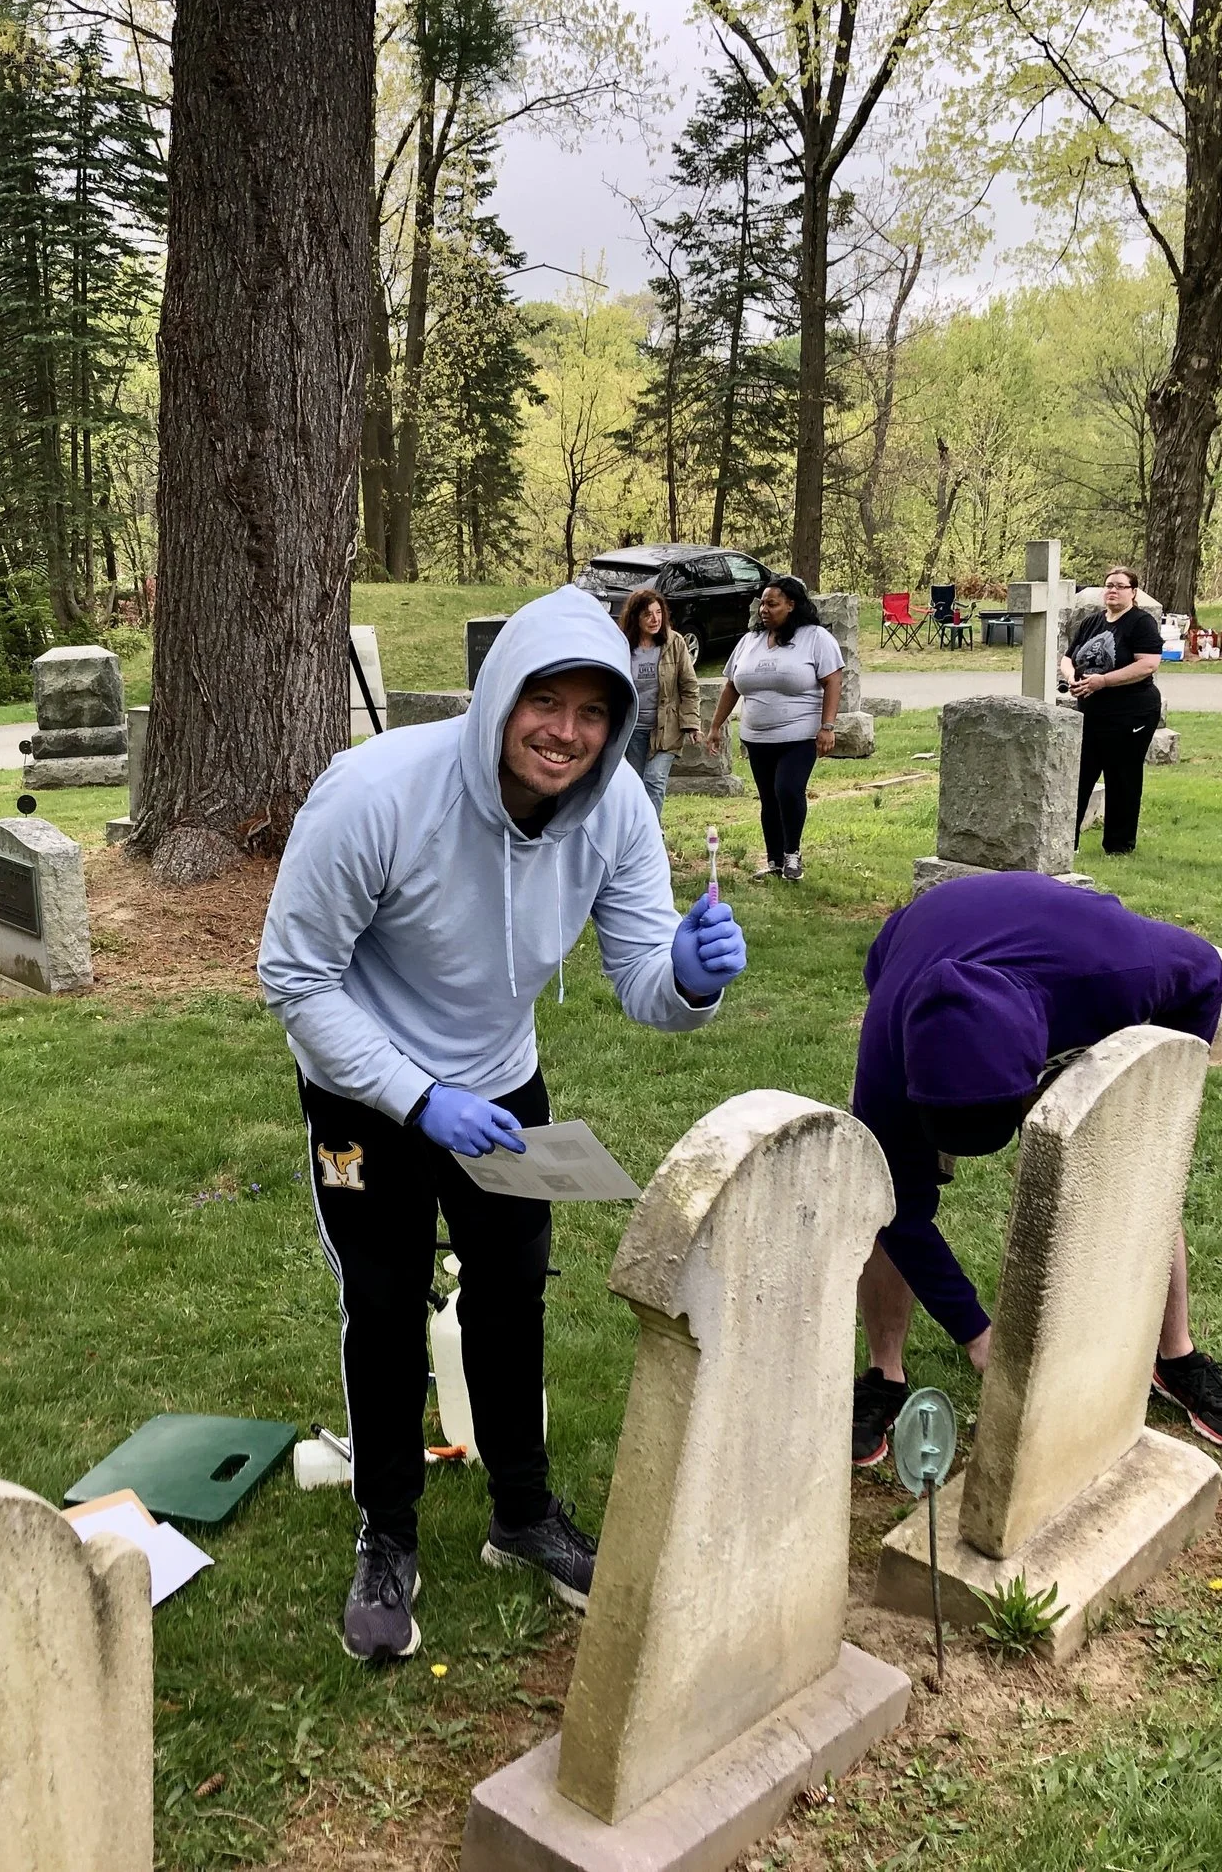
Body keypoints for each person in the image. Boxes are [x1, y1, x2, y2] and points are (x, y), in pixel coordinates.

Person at [259, 585, 749, 1664]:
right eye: (545, 702)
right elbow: (293, 979)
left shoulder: (616, 808)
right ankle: (386, 1533)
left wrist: (688, 975)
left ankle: (521, 1516)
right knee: (383, 1307)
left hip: (501, 1092)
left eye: (592, 712)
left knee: (512, 1293)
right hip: (365, 1100)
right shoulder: (375, 794)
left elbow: (639, 979)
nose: (565, 733)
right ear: (497, 697)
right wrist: (415, 1098)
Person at [845, 871, 1222, 1467]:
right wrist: (976, 1332)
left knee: (1139, 1171)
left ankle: (1174, 1357)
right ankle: (884, 1373)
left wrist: (1154, 1100)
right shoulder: (890, 1057)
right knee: (886, 1183)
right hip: (914, 939)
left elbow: (1205, 974)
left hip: (1062, 952)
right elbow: (898, 1212)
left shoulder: (1120, 971)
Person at [705, 575, 844, 882]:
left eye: (773, 603)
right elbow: (731, 686)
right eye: (763, 604)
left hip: (799, 734)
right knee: (769, 798)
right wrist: (716, 726)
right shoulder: (749, 641)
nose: (764, 609)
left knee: (788, 790)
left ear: (791, 606)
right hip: (757, 737)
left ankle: (792, 855)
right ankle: (774, 860)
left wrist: (828, 726)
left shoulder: (815, 638)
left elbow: (833, 681)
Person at [1063, 565, 1165, 855]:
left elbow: (1148, 664)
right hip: (1091, 713)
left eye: (1120, 586)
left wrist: (1103, 681)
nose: (1112, 590)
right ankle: (1066, 843)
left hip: (1131, 712)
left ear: (1133, 592)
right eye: (1109, 585)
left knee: (1122, 777)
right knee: (1080, 776)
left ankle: (1119, 847)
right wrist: (1073, 678)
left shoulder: (1140, 623)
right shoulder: (1093, 622)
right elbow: (1068, 658)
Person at [617, 584, 701, 818]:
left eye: (658, 613)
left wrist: (692, 723)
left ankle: (651, 835)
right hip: (633, 729)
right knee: (636, 784)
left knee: (654, 780)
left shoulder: (674, 643)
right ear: (635, 618)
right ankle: (637, 834)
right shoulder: (622, 645)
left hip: (667, 727)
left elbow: (689, 685)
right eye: (647, 614)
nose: (655, 619)